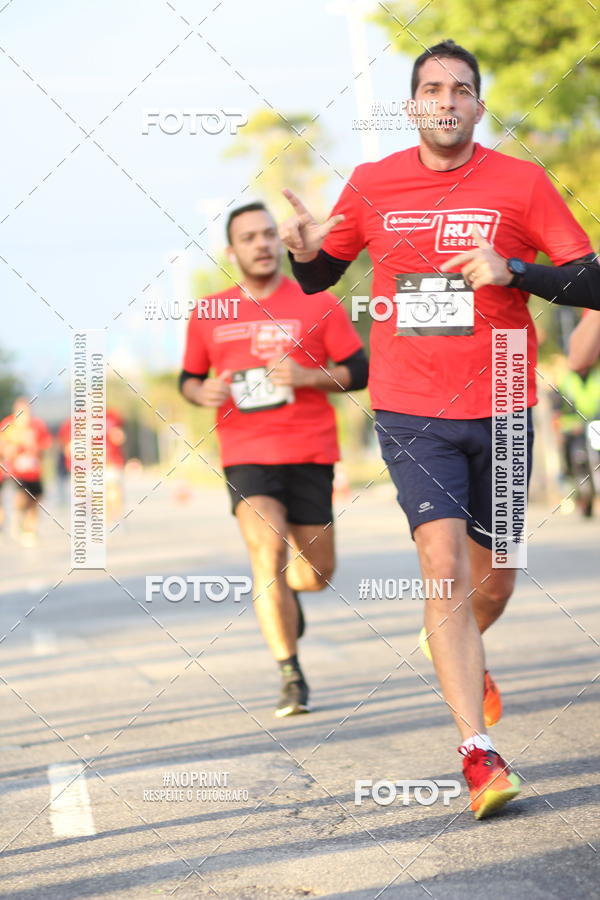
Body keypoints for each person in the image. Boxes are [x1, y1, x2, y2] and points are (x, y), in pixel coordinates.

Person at [279, 40, 597, 817]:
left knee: (495, 582)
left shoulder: (520, 184)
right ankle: (478, 754)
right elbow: (325, 271)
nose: (446, 100)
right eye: (432, 89)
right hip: (411, 407)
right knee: (443, 563)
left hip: (506, 398)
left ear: (478, 107)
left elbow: (591, 277)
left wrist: (515, 271)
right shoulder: (373, 182)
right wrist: (303, 256)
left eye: (461, 89)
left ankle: (460, 646)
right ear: (414, 104)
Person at [179, 202, 368, 717]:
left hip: (310, 451)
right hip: (247, 454)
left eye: (268, 235)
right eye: (249, 237)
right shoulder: (209, 312)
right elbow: (188, 380)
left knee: (315, 573)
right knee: (266, 552)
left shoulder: (317, 303)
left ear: (279, 242)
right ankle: (290, 673)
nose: (261, 245)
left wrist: (309, 377)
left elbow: (359, 370)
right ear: (232, 250)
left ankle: (288, 595)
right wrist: (204, 392)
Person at [0, 397, 52, 546]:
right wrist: (11, 449)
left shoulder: (37, 425)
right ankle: (18, 518)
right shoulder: (8, 425)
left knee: (35, 500)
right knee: (22, 495)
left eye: (27, 412)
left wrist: (36, 447)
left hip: (34, 471)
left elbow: (47, 444)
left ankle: (30, 531)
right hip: (17, 471)